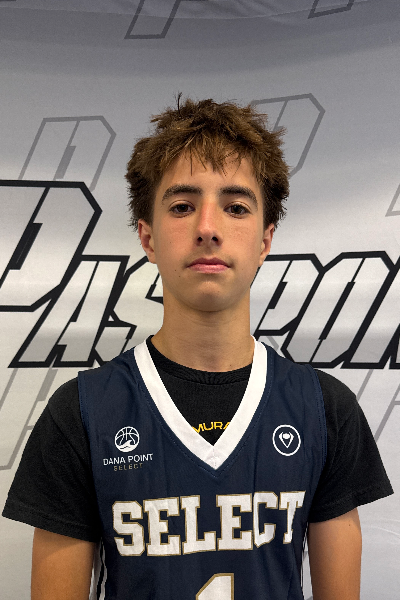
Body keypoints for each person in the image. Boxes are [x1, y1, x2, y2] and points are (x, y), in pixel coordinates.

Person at [2, 97, 393, 600]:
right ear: (148, 238)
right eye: (182, 206)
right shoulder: (80, 414)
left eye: (236, 207)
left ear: (265, 240)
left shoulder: (324, 409)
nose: (208, 228)